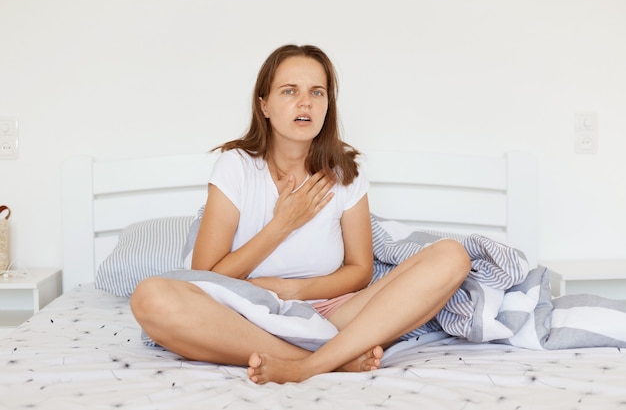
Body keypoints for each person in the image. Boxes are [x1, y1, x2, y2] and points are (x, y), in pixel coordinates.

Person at [130, 44, 471, 384]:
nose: (305, 102)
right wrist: (282, 225)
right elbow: (205, 276)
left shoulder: (345, 174)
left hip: (329, 313)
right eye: (289, 90)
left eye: (317, 92)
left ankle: (306, 366)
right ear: (264, 104)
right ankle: (334, 360)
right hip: (245, 317)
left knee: (451, 256)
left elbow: (360, 270)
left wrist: (294, 291)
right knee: (151, 297)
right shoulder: (236, 167)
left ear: (327, 105)